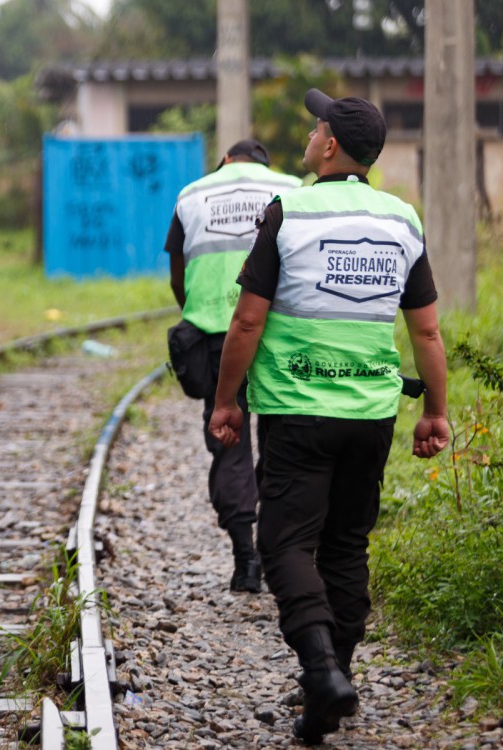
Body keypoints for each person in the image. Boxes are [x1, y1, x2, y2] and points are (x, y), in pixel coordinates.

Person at [209, 89, 449, 745]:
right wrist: (435, 411)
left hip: (297, 411)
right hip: (371, 414)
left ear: (331, 144)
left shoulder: (288, 211)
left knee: (286, 544)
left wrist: (227, 400)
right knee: (346, 544)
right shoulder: (402, 219)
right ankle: (334, 681)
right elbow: (427, 333)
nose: (311, 137)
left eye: (317, 128)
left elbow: (247, 321)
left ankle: (320, 669)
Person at [165, 139, 301, 593]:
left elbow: (178, 277)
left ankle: (246, 561)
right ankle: (282, 554)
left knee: (228, 439)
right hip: (278, 332)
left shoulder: (192, 194)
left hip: (216, 337)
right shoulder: (291, 189)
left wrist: (204, 311)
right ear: (265, 165)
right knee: (281, 439)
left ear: (225, 161)